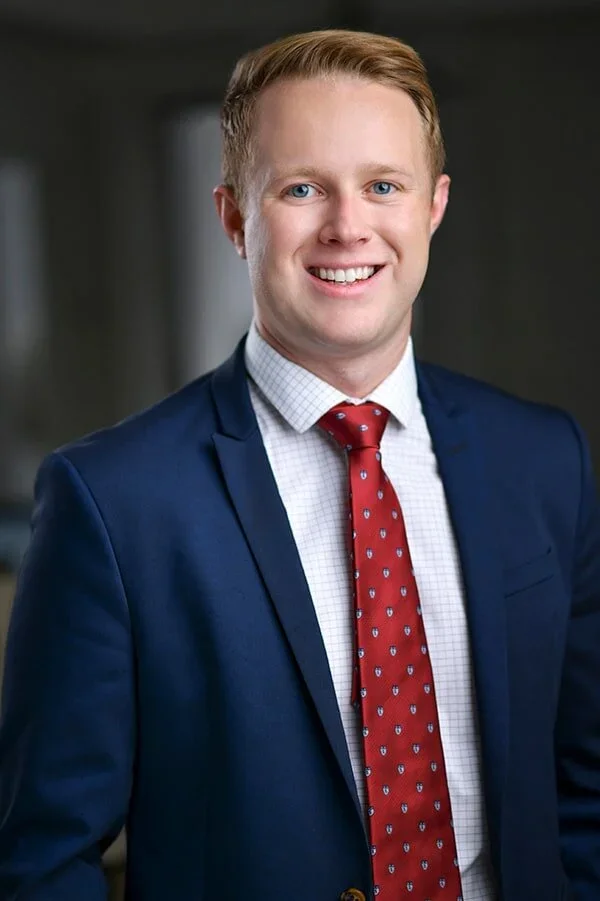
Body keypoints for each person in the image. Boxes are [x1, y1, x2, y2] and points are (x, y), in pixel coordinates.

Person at [0, 27, 598, 901]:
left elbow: (585, 783)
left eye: (383, 185)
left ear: (433, 207)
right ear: (234, 217)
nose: (348, 226)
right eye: (302, 188)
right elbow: (42, 858)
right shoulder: (112, 500)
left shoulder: (544, 459)